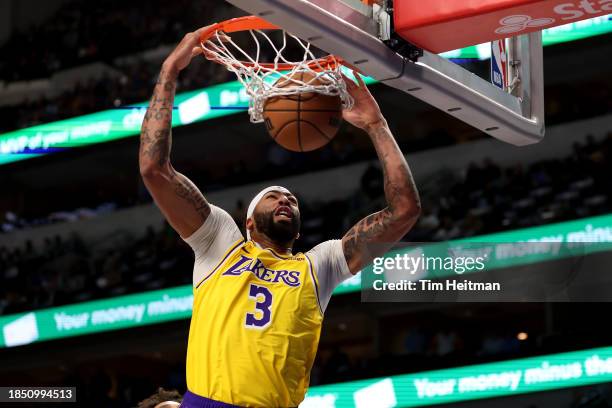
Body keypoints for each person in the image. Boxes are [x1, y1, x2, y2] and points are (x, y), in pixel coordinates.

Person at [139, 26, 421, 408]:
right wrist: (170, 71)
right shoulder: (220, 242)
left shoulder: (319, 266)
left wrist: (376, 126)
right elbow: (155, 169)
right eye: (273, 197)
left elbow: (404, 211)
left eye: (291, 199)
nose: (286, 200)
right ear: (249, 222)